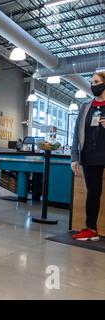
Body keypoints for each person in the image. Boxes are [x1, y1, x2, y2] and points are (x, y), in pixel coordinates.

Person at [71, 71, 105, 241]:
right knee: (93, 193)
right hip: (90, 156)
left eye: (97, 81)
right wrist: (74, 157)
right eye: (92, 82)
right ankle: (91, 229)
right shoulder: (85, 106)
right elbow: (76, 133)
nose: (93, 85)